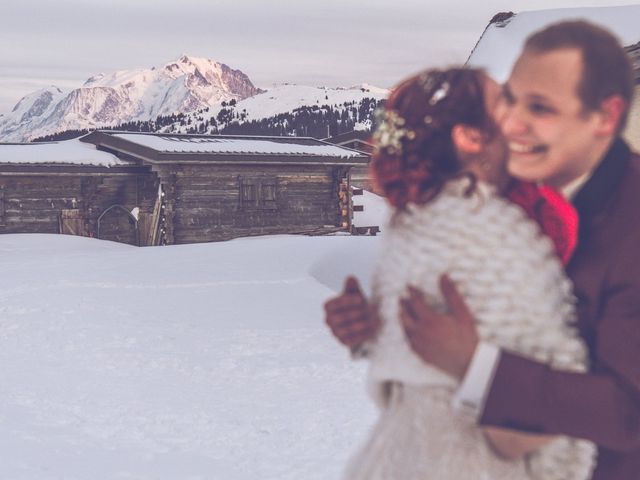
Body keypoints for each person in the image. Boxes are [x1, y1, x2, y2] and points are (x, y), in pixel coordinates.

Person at [327, 20, 640, 480]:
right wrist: (377, 330)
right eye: (511, 98)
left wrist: (475, 368)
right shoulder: (488, 215)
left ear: (604, 118)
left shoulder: (619, 217)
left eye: (539, 105)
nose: (518, 120)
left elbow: (627, 409)